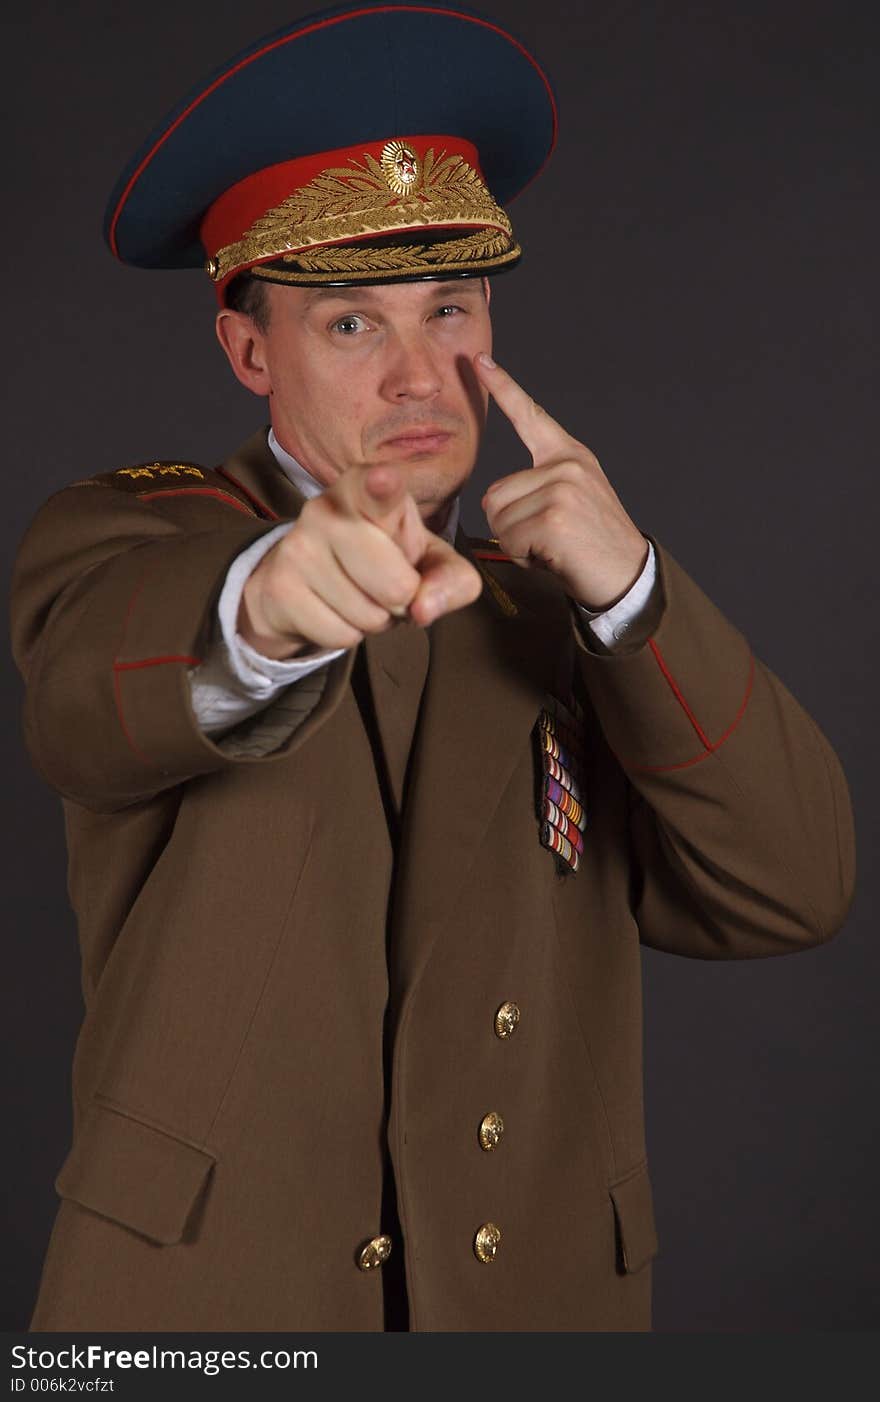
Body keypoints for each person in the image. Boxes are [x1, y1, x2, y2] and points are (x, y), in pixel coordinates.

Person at [10, 3, 855, 1333]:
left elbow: (794, 889)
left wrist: (634, 592)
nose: (418, 374)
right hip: (217, 1313)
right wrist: (272, 610)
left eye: (448, 308)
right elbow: (86, 701)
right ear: (250, 350)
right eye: (351, 325)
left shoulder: (560, 618)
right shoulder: (144, 541)